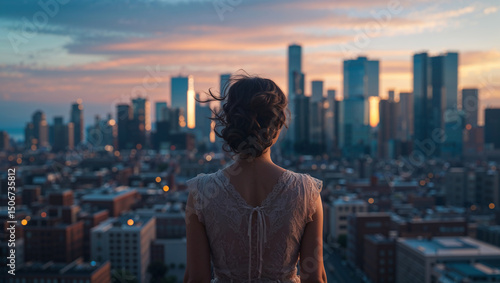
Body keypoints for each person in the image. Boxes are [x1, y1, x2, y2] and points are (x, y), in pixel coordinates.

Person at [184, 74, 326, 283]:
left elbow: (196, 279)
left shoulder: (201, 193)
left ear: (230, 123)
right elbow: (315, 278)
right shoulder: (306, 192)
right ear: (278, 125)